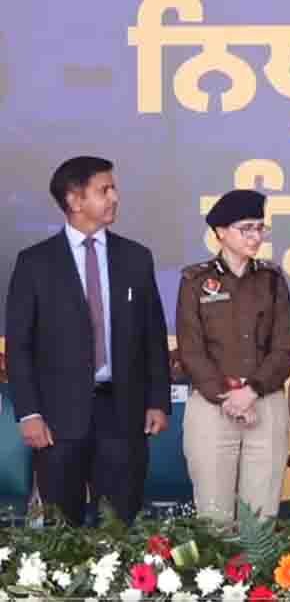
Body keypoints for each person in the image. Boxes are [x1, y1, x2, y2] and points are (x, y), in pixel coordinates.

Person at [5, 155, 170, 524]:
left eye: (114, 189)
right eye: (104, 190)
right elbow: (20, 346)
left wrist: (158, 400)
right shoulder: (35, 262)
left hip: (123, 413)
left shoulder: (136, 257)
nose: (115, 197)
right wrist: (29, 413)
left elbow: (153, 336)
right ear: (74, 200)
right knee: (62, 527)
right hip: (57, 419)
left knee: (121, 523)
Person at [175, 189, 290, 522]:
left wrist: (251, 392)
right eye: (246, 229)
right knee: (214, 516)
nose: (255, 236)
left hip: (264, 401)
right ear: (220, 232)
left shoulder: (272, 279)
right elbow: (191, 350)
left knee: (260, 518)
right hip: (212, 404)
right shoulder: (195, 281)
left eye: (260, 228)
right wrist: (228, 397)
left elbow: (283, 350)